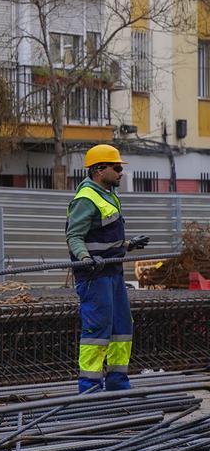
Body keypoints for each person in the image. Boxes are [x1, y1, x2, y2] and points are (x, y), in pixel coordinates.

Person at [66, 144, 149, 392]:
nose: (120, 172)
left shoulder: (108, 194)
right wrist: (84, 257)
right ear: (99, 170)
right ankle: (90, 387)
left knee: (121, 328)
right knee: (97, 330)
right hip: (94, 276)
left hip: (112, 272)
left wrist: (127, 245)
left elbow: (102, 237)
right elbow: (74, 236)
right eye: (116, 167)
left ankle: (117, 382)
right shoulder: (86, 199)